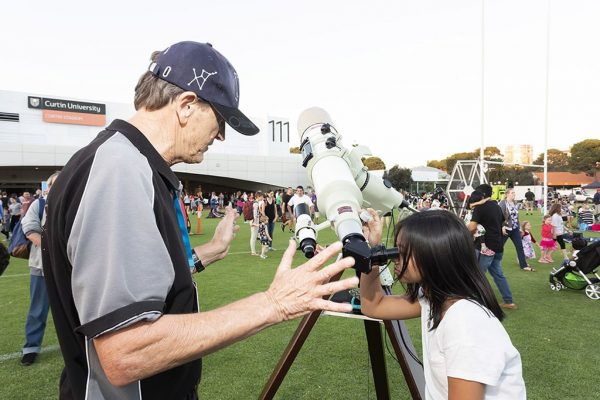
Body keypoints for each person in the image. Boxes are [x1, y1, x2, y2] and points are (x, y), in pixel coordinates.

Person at [42, 41, 359, 400]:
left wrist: (206, 253)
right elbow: (126, 352)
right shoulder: (120, 169)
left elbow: (136, 282)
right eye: (220, 119)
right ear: (186, 105)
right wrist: (274, 304)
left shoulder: (128, 163)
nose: (221, 135)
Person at [360, 208, 526, 400]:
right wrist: (373, 252)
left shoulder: (464, 322)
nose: (395, 257)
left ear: (435, 255)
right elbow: (373, 306)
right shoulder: (435, 300)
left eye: (403, 252)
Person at [20, 171, 60, 366]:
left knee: (75, 310)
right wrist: (53, 251)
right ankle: (31, 348)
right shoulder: (39, 204)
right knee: (37, 310)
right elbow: (30, 230)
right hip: (41, 267)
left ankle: (79, 347)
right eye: (52, 184)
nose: (56, 188)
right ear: (48, 188)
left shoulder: (74, 203)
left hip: (69, 270)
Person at [466, 184, 518, 309]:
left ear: (482, 195)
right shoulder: (496, 206)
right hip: (498, 245)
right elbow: (501, 222)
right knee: (498, 274)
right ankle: (508, 301)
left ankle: (477, 301)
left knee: (478, 274)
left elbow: (472, 227)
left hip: (486, 247)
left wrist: (463, 231)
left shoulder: (480, 208)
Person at [499, 188, 532, 271]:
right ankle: (490, 262)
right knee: (499, 247)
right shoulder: (502, 203)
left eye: (514, 193)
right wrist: (502, 226)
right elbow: (499, 216)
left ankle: (523, 265)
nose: (514, 194)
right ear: (507, 194)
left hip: (515, 229)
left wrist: (520, 228)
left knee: (520, 247)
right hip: (506, 229)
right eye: (512, 193)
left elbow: (516, 217)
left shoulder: (514, 203)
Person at [250, 191, 263, 256]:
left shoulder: (256, 203)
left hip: (255, 221)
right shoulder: (256, 203)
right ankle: (253, 252)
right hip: (254, 221)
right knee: (253, 236)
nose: (262, 197)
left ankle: (254, 251)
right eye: (261, 196)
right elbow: (254, 213)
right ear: (258, 196)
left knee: (255, 236)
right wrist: (255, 223)